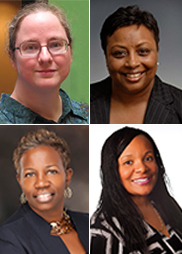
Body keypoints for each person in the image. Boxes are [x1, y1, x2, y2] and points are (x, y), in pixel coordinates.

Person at [90, 126, 182, 253]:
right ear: (113, 170)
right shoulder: (103, 228)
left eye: (148, 158)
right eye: (128, 162)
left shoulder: (165, 204)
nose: (142, 168)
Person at [0, 129, 89, 254]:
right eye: (30, 174)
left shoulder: (88, 223)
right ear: (20, 181)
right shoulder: (9, 237)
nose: (41, 183)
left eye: (51, 171)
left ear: (67, 177)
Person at [90, 5, 182, 124]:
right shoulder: (85, 103)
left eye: (143, 51)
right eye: (120, 53)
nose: (132, 63)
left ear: (157, 52)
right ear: (106, 57)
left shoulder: (179, 105)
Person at [0, 2, 89, 124]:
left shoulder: (89, 115)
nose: (45, 57)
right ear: (12, 57)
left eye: (56, 45)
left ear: (70, 52)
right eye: (30, 47)